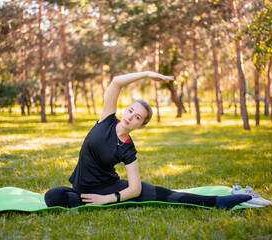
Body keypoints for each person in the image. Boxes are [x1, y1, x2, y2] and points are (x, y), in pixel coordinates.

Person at [44, 71, 252, 210]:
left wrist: (107, 199)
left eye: (137, 117)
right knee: (52, 197)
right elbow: (116, 81)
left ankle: (218, 202)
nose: (130, 117)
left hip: (108, 188)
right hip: (82, 187)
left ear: (141, 125)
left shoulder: (128, 149)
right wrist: (146, 74)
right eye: (130, 110)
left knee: (164, 194)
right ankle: (85, 200)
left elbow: (134, 188)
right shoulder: (107, 120)